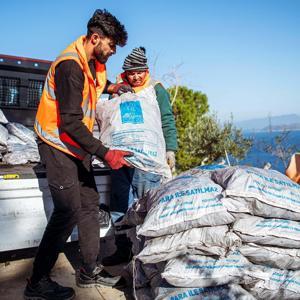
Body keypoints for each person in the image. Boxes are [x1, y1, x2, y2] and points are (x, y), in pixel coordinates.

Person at [24, 9, 133, 300]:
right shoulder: (70, 66)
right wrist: (105, 153)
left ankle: (88, 270)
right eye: (110, 46)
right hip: (57, 144)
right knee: (68, 210)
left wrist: (114, 87)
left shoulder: (92, 64)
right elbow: (70, 121)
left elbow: (95, 89)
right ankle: (36, 282)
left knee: (89, 204)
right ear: (95, 38)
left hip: (76, 145)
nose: (111, 52)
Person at [102, 47, 178, 266]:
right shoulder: (119, 89)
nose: (135, 77)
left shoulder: (156, 90)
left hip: (148, 162)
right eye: (131, 73)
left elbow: (166, 119)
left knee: (147, 205)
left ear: (147, 71)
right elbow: (109, 117)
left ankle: (148, 255)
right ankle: (122, 250)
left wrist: (170, 149)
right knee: (120, 205)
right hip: (121, 158)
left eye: (139, 72)